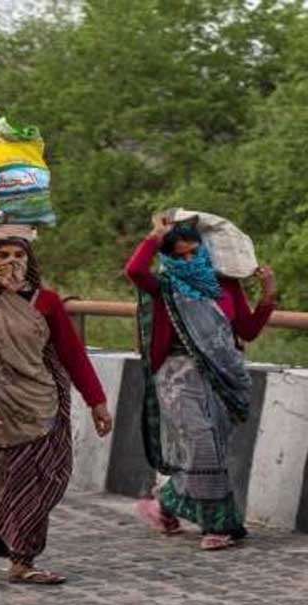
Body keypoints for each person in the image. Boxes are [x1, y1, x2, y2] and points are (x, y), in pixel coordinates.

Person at [0, 228, 113, 584]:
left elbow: (72, 355)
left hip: (42, 404)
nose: (12, 263)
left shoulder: (46, 302)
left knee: (44, 478)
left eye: (19, 255)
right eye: (3, 256)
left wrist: (97, 402)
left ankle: (22, 558)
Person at [127, 215, 277, 550]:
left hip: (221, 377)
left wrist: (268, 293)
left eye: (195, 253)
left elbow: (248, 330)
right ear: (169, 258)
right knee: (202, 444)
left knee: (211, 450)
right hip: (178, 376)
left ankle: (166, 502)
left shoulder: (225, 286)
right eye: (180, 256)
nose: (189, 261)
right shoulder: (165, 287)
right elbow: (135, 271)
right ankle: (219, 526)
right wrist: (154, 236)